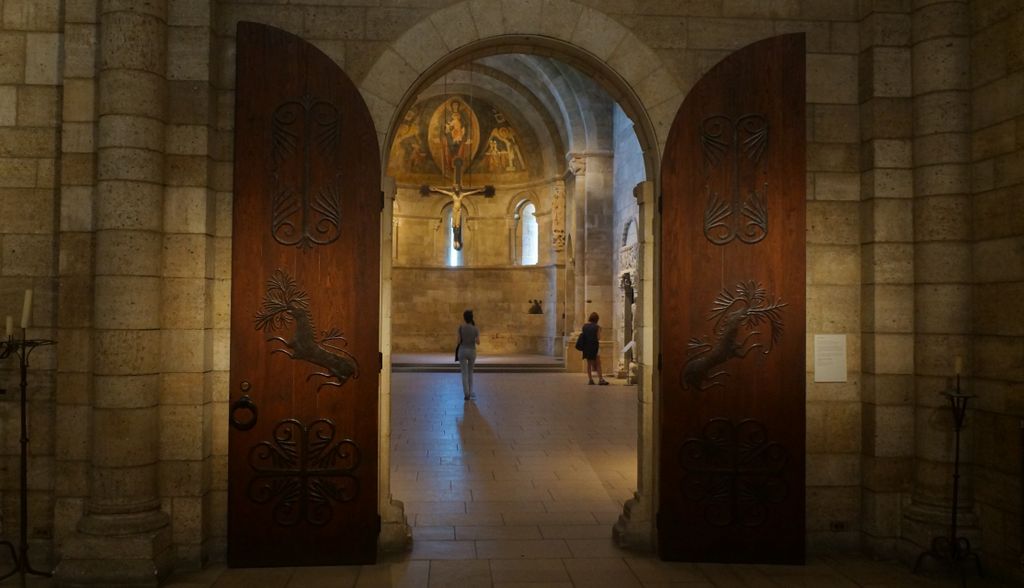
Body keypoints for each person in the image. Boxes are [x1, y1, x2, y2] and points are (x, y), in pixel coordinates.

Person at [457, 309, 480, 400]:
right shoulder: (476, 329)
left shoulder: (460, 327)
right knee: (470, 372)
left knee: (464, 373)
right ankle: (471, 392)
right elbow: (478, 342)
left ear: (464, 318)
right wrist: (472, 339)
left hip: (462, 351)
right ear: (472, 318)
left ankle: (466, 394)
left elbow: (458, 341)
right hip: (472, 351)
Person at [580, 312, 608, 385]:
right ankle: (601, 379)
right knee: (598, 363)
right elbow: (598, 338)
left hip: (586, 347)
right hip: (594, 347)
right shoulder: (597, 327)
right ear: (597, 319)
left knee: (589, 364)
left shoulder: (584, 326)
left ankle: (590, 379)